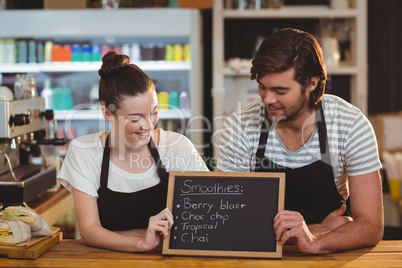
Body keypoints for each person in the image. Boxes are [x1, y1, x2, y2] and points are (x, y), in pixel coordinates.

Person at [217, 28, 384, 254]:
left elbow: (372, 226)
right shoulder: (240, 126)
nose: (267, 99)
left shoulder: (350, 124)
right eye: (262, 87)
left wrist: (316, 240)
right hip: (258, 256)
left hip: (329, 256)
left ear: (312, 83)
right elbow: (230, 220)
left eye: (280, 90)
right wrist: (321, 229)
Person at [57, 51, 209, 252]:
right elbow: (90, 231)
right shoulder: (84, 152)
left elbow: (206, 222)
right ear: (108, 114)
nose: (148, 125)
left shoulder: (177, 147)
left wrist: (113, 236)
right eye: (136, 118)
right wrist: (141, 241)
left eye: (154, 112)